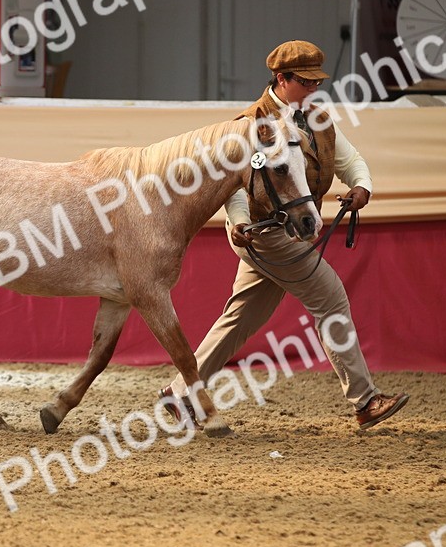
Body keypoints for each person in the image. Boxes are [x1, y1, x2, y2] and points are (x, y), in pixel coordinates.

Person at [162, 40, 408, 430]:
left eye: (316, 82)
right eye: (305, 82)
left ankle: (181, 392)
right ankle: (365, 401)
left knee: (240, 319)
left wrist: (361, 186)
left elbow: (350, 161)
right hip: (265, 234)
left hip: (288, 233)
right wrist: (240, 221)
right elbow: (237, 184)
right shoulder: (251, 125)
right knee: (331, 298)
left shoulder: (318, 120)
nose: (314, 89)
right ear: (282, 78)